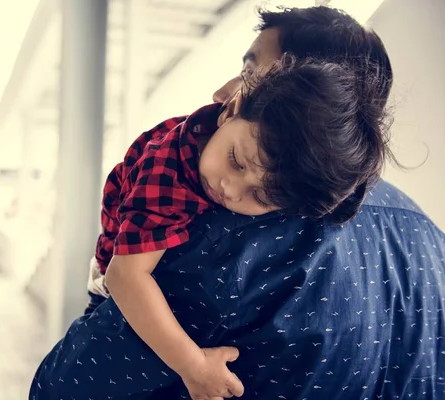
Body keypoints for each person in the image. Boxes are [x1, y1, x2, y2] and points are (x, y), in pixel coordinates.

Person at [30, 6, 445, 400]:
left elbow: (68, 384)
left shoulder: (220, 247)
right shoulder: (428, 236)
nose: (223, 93)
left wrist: (193, 366)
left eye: (250, 75)